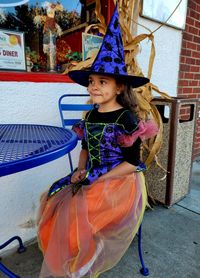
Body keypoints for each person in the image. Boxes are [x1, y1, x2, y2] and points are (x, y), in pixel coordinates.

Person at [37, 4, 158, 278]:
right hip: (92, 174)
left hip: (119, 182)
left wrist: (98, 179)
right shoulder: (90, 115)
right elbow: (85, 148)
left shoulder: (126, 120)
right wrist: (81, 170)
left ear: (119, 86)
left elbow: (132, 163)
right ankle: (75, 252)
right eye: (91, 81)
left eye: (102, 81)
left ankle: (87, 257)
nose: (93, 86)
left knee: (78, 215)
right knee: (54, 202)